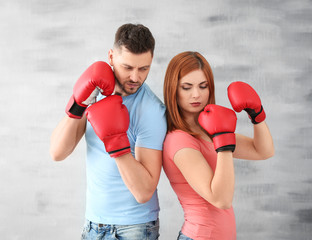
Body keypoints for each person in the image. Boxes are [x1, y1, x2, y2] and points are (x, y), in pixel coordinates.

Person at [50, 23, 167, 240]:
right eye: (128, 67)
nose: (135, 77)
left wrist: (115, 140)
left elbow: (144, 192)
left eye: (144, 69)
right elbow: (57, 153)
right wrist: (80, 104)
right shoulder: (95, 89)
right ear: (111, 57)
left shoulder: (152, 111)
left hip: (134, 228)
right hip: (93, 224)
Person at [162, 51, 274, 240]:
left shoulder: (209, 131)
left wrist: (257, 115)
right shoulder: (179, 141)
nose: (196, 94)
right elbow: (221, 199)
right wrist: (223, 140)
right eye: (186, 87)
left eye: (203, 86)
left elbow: (263, 151)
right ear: (173, 90)